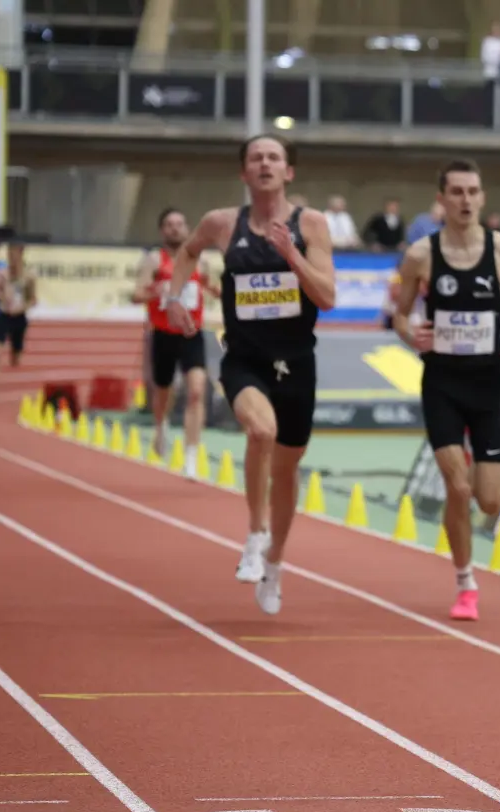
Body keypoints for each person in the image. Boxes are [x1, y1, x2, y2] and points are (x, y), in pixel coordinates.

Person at [162, 133, 337, 615]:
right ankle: (255, 534)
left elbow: (327, 297)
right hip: (244, 357)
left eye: (274, 157)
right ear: (244, 173)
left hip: (298, 361)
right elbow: (188, 253)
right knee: (261, 432)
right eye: (256, 158)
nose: (265, 164)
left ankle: (275, 561)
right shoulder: (222, 223)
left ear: (288, 172)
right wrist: (175, 298)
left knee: (286, 469)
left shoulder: (312, 224)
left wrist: (293, 257)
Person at [392, 159, 500, 621]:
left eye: (472, 191)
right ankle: (465, 582)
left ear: (482, 196)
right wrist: (409, 333)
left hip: (487, 386)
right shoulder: (421, 254)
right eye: (455, 192)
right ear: (441, 199)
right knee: (457, 487)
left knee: (489, 499)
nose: (464, 200)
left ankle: (466, 567)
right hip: (441, 382)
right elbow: (399, 313)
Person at [132, 207, 219, 475]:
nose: (175, 229)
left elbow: (219, 290)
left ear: (188, 228)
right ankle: (161, 425)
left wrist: (212, 287)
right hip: (163, 334)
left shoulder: (201, 262)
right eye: (169, 224)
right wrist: (154, 291)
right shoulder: (154, 262)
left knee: (196, 392)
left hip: (192, 334)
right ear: (162, 230)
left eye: (180, 224)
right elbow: (136, 295)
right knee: (163, 391)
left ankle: (191, 454)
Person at [0, 243, 36, 368]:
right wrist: (3, 297)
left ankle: (15, 357)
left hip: (19, 316)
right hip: (4, 315)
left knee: (16, 358)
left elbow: (33, 299)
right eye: (9, 253)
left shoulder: (29, 276)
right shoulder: (2, 273)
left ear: (21, 254)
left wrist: (22, 307)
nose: (11, 257)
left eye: (14, 254)